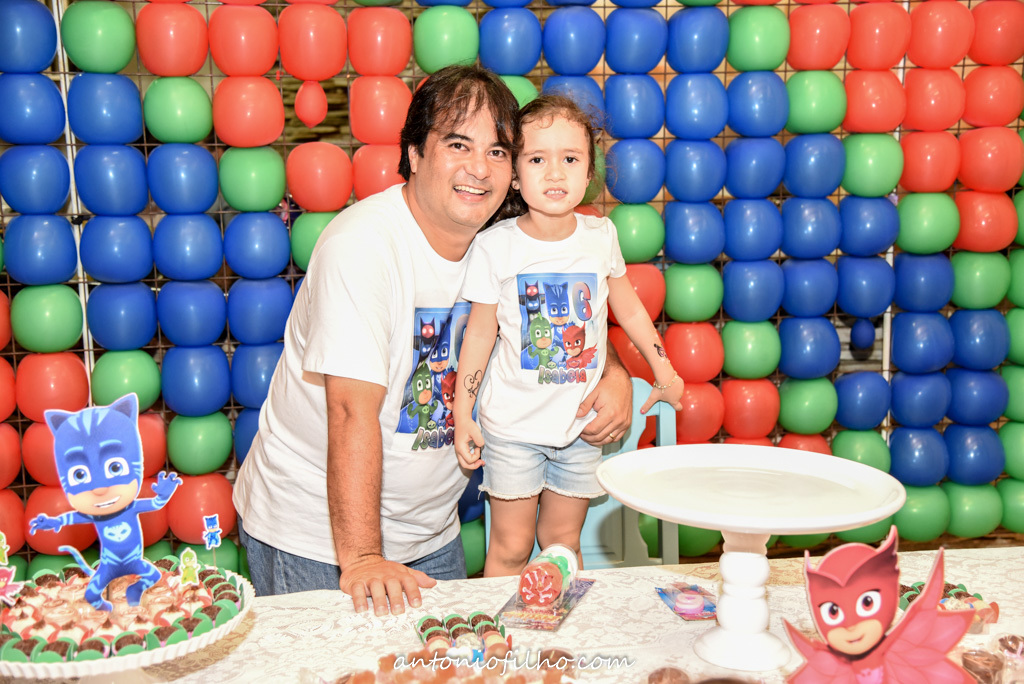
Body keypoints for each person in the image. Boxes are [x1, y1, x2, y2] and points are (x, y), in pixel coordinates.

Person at [232, 66, 634, 616]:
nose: (479, 168)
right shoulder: (363, 247)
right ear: (415, 153)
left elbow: (571, 317)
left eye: (497, 152)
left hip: (431, 532)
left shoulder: (504, 239)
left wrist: (613, 371)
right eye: (458, 144)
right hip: (320, 539)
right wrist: (363, 558)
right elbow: (350, 410)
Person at [453, 95, 685, 578]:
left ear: (589, 173)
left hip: (579, 429)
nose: (555, 173)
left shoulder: (600, 236)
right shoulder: (496, 246)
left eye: (571, 159)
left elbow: (630, 311)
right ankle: (503, 627)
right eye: (537, 159)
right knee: (511, 547)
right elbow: (479, 334)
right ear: (515, 175)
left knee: (562, 545)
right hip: (512, 430)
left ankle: (560, 621)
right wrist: (462, 412)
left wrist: (665, 371)